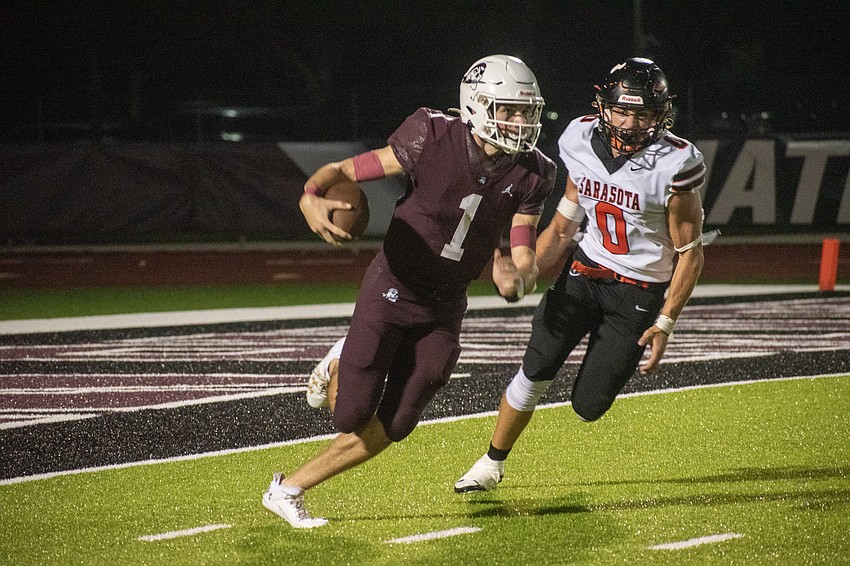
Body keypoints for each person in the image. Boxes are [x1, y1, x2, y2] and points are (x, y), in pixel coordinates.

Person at [262, 54, 557, 528]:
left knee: (398, 423)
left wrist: (518, 276)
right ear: (478, 105)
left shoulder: (535, 172)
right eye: (510, 110)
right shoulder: (431, 135)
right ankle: (339, 362)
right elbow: (342, 170)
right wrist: (310, 195)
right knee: (349, 415)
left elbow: (523, 246)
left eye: (527, 111)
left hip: (445, 302)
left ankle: (288, 488)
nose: (521, 122)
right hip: (394, 284)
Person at [454, 57, 707, 493]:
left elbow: (690, 253)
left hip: (639, 291)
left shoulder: (676, 163)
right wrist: (528, 267)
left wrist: (665, 322)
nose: (629, 124)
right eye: (622, 110)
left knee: (588, 406)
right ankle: (491, 463)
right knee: (535, 368)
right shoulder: (578, 137)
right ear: (604, 106)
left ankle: (595, 376)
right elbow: (565, 222)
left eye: (642, 113)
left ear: (660, 116)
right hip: (584, 271)